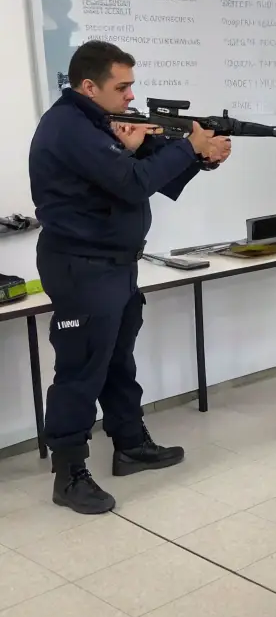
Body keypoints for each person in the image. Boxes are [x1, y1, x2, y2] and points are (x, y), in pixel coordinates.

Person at [28, 40, 232, 515]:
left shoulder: (102, 123)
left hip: (114, 262)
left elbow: (148, 174)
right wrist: (188, 148)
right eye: (121, 87)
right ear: (87, 86)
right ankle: (70, 473)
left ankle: (129, 444)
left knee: (117, 359)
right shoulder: (69, 128)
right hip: (81, 265)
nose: (129, 96)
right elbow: (132, 182)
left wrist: (200, 158)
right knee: (81, 368)